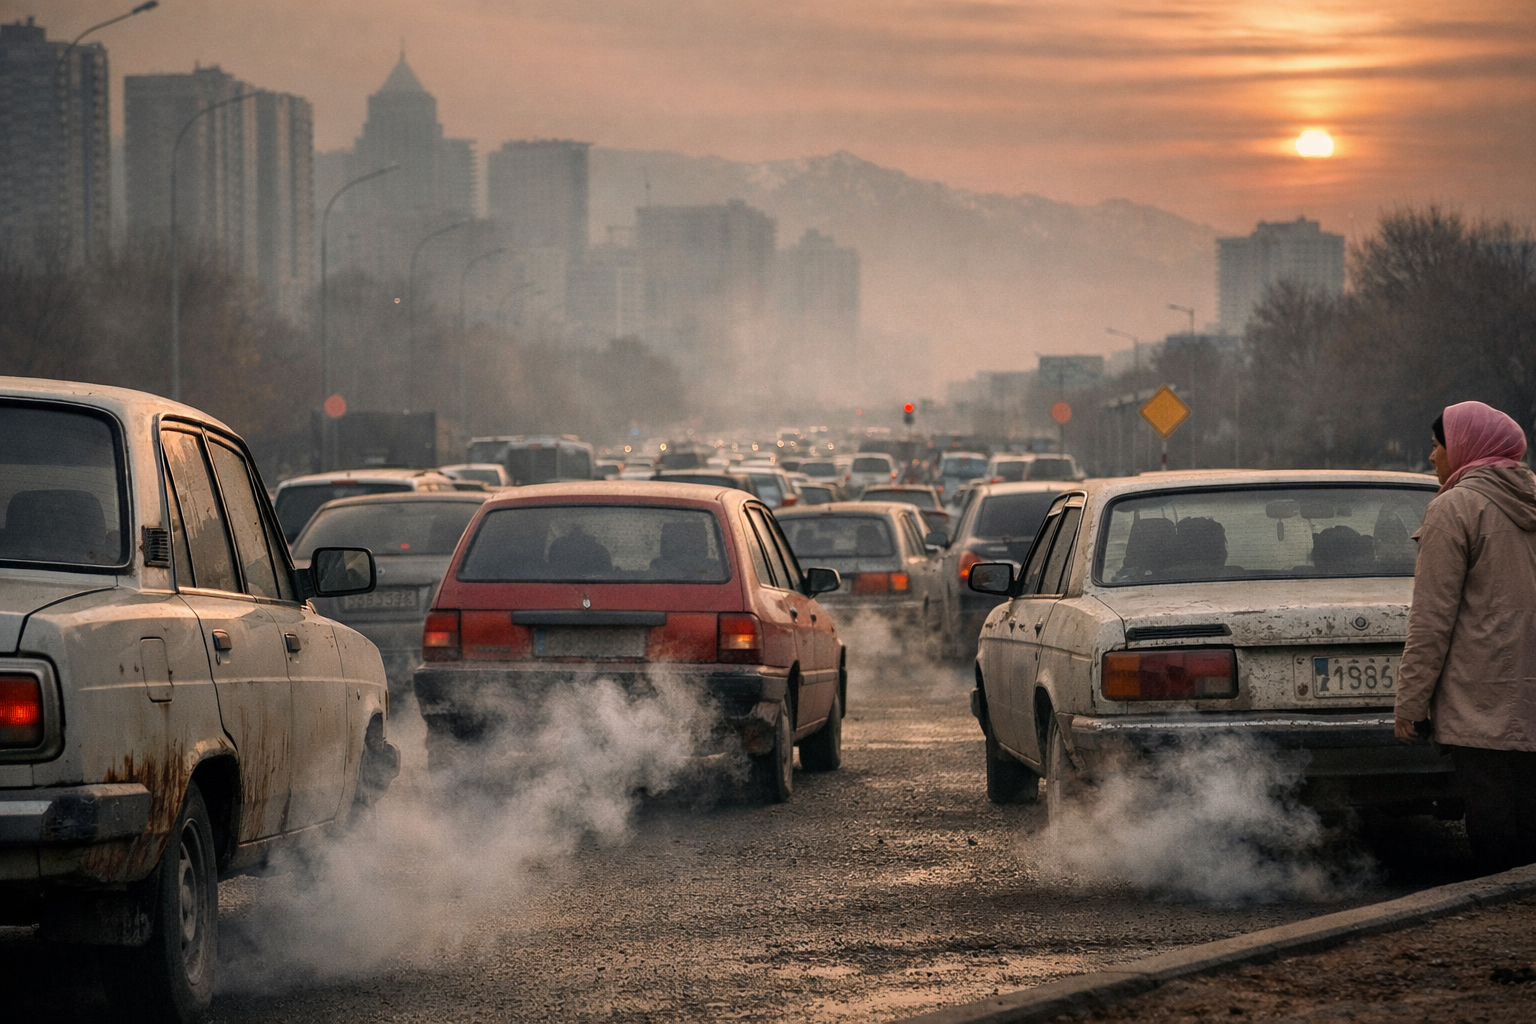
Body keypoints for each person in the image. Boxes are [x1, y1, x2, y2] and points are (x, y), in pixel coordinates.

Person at [1395, 401, 1536, 875]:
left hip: (1481, 702)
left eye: (1438, 446)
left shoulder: (1454, 509)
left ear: (1464, 449)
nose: (1432, 456)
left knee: (1495, 827)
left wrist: (1410, 705)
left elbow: (1432, 620)